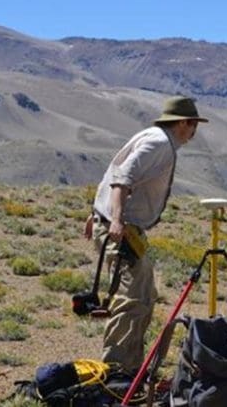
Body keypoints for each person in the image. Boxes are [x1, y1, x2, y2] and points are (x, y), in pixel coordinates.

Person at [84, 95, 207, 373]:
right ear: (184, 123)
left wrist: (96, 212)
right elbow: (122, 178)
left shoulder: (153, 137)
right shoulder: (159, 143)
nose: (194, 132)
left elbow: (114, 172)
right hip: (123, 229)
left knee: (142, 295)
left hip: (123, 227)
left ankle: (129, 368)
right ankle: (118, 373)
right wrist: (114, 219)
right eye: (193, 125)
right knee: (133, 300)